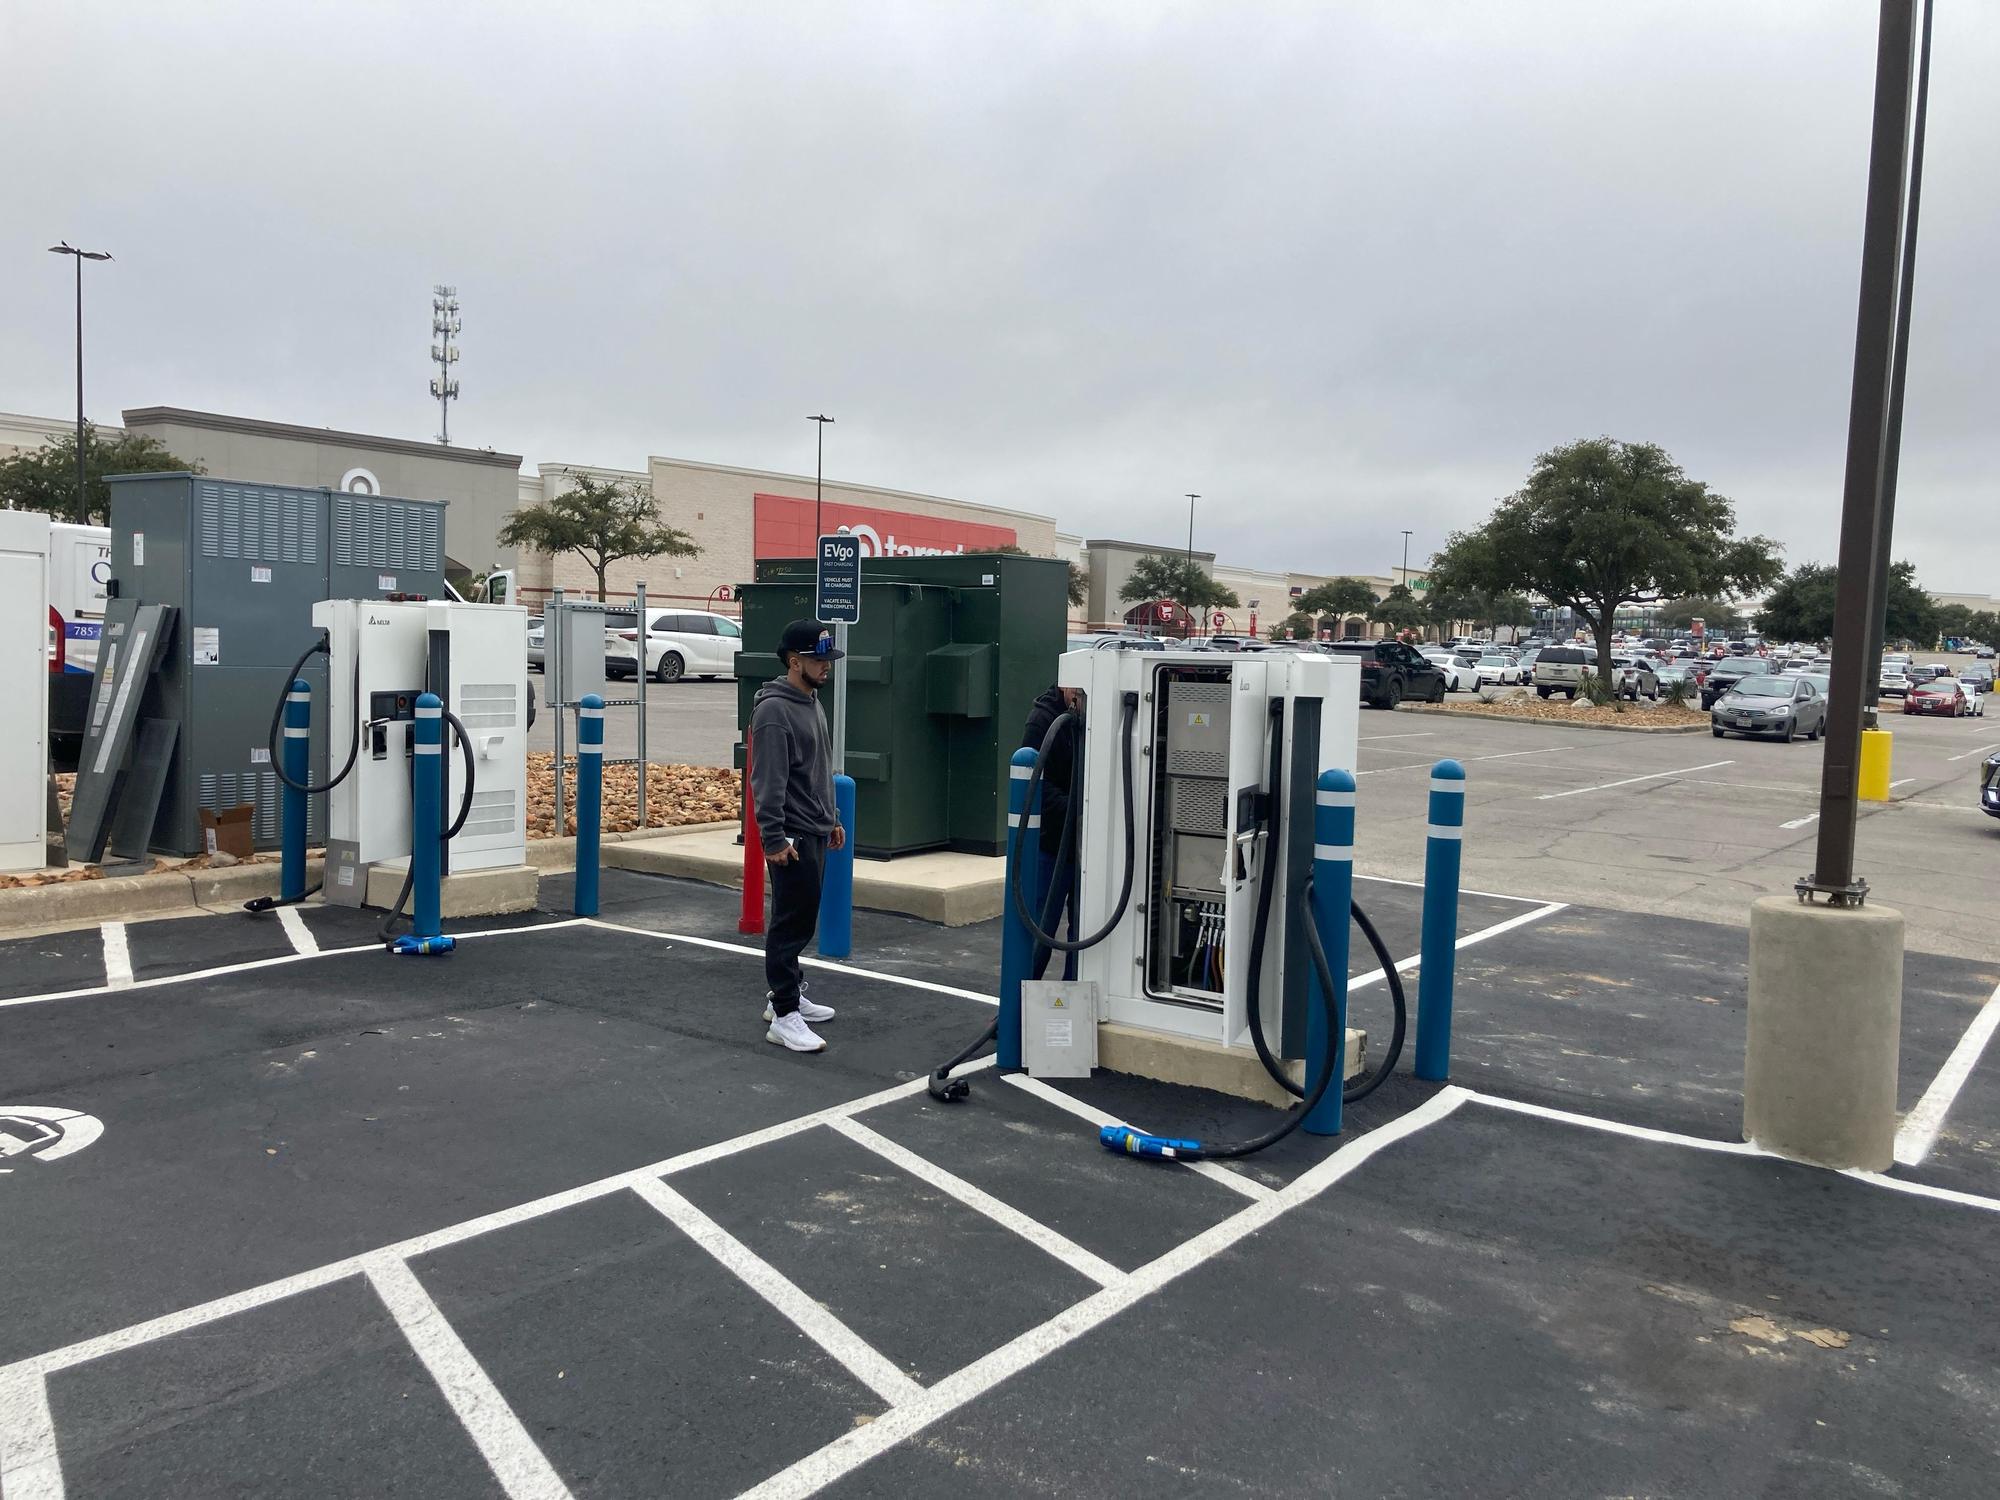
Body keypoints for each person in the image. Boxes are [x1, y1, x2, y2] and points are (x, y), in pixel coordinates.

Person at [749, 619, 847, 1052]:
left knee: (801, 920)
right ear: (794, 662)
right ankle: (785, 1016)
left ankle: (785, 998)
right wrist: (773, 839)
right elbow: (767, 782)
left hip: (814, 830)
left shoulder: (809, 701)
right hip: (791, 838)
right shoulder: (774, 711)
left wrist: (834, 818)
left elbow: (817, 771)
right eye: (818, 659)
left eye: (827, 659)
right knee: (790, 926)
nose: (826, 667)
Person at [1019, 682, 1084, 981]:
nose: (1082, 701)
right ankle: (1015, 1011)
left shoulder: (1094, 718)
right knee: (1039, 931)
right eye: (1079, 694)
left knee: (1082, 936)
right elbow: (1036, 789)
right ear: (1066, 686)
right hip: (1051, 846)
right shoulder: (1043, 720)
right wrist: (1080, 810)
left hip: (1087, 847)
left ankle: (1075, 1007)